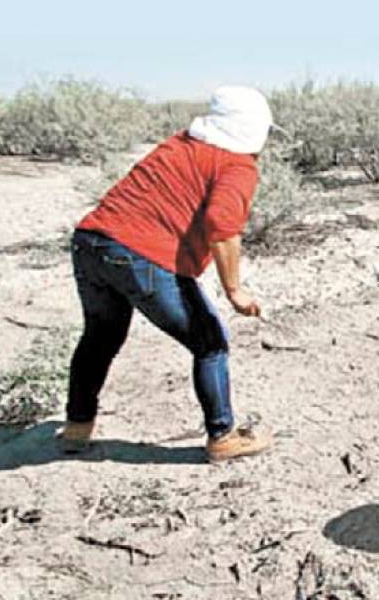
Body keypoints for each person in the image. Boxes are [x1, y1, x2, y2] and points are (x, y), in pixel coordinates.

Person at [60, 86, 279, 463]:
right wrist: (234, 290)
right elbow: (222, 226)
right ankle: (223, 436)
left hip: (90, 242)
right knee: (209, 343)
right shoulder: (236, 165)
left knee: (101, 336)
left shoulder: (179, 145)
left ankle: (77, 427)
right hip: (138, 255)